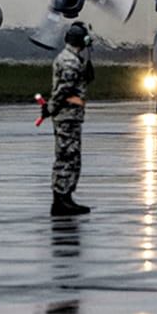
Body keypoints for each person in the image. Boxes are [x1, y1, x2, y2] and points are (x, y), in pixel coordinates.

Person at [48, 21, 95, 216]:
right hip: (67, 117)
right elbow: (64, 90)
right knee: (67, 157)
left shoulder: (72, 59)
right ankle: (61, 199)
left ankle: (65, 198)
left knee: (70, 157)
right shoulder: (70, 62)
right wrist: (51, 107)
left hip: (70, 116)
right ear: (82, 40)